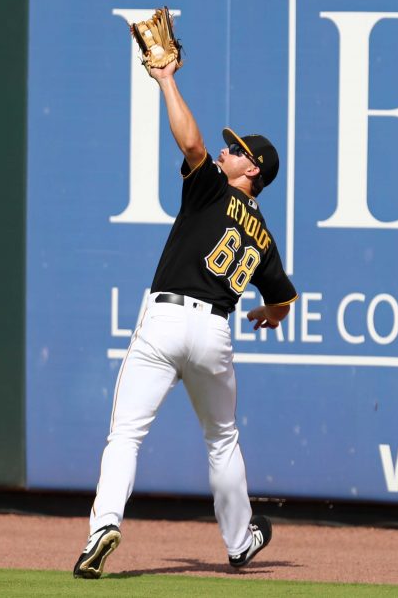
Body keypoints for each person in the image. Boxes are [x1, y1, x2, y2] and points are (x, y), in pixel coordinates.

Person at [72, 58, 298, 579]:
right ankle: (240, 542)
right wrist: (270, 310)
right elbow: (285, 297)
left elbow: (192, 146)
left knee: (125, 436)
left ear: (253, 170)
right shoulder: (263, 236)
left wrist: (166, 80)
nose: (227, 150)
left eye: (238, 150)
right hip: (215, 331)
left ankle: (104, 527)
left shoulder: (214, 188)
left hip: (166, 319)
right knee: (222, 439)